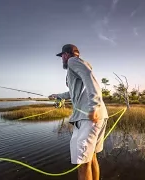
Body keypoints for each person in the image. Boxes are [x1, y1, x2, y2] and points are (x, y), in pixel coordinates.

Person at [48, 44, 109, 180]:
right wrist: (58, 95)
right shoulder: (75, 66)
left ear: (66, 54)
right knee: (91, 157)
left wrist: (94, 106)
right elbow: (73, 92)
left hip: (88, 117)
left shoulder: (72, 61)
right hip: (95, 116)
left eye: (62, 56)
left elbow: (89, 76)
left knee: (82, 163)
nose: (62, 59)